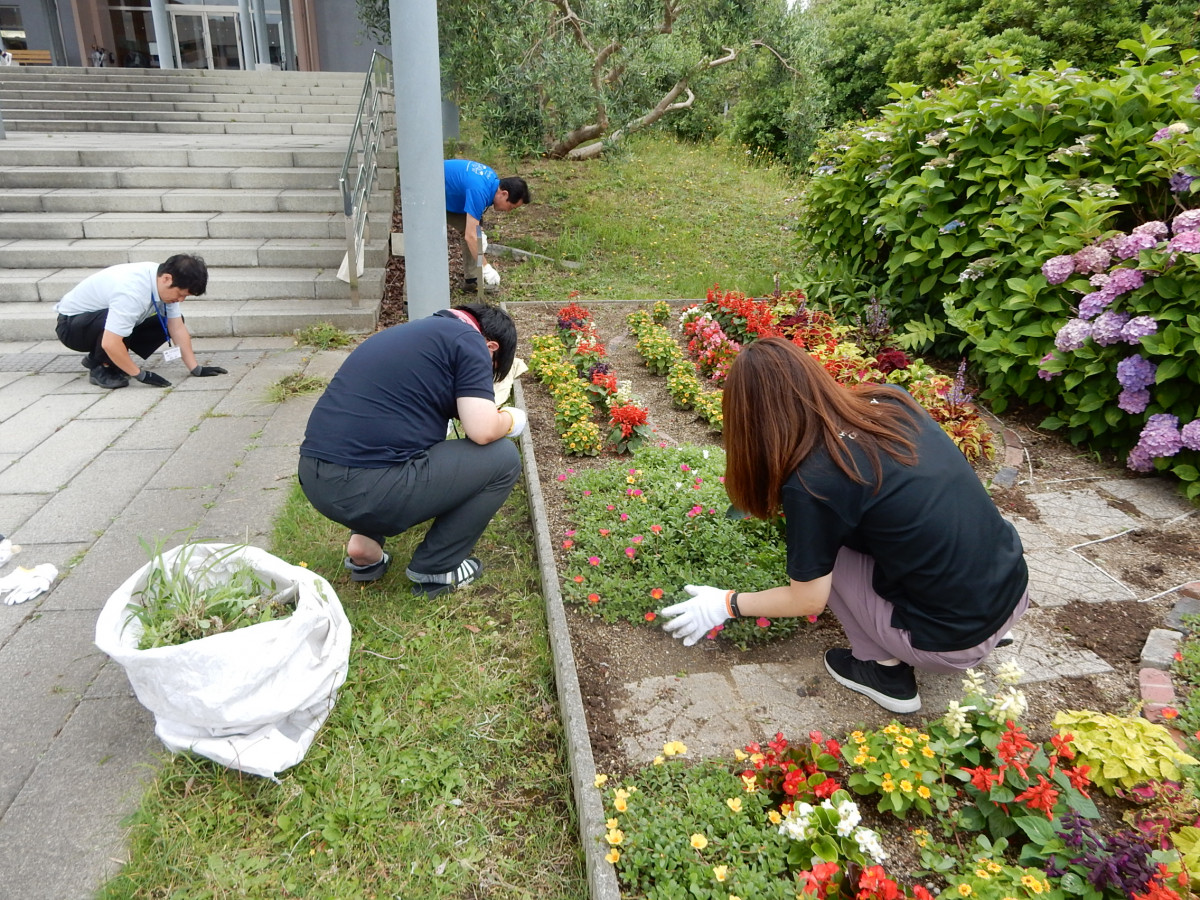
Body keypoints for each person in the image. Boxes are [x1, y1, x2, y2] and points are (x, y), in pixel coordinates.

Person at [660, 338, 1029, 713]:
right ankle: (993, 628)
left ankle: (881, 671)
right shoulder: (890, 400)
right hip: (1013, 590)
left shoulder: (814, 479)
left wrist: (726, 604)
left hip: (952, 644)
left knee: (826, 562)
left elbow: (807, 598)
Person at [298, 304, 527, 595]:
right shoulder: (470, 341)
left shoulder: (410, 335)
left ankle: (364, 547)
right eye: (489, 372)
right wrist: (510, 420)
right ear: (491, 347)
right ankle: (437, 568)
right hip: (365, 489)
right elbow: (482, 430)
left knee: (392, 444)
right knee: (502, 458)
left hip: (315, 479)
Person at [54, 255, 228, 390]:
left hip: (99, 321)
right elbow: (110, 341)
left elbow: (176, 327)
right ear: (167, 278)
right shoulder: (132, 290)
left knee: (166, 321)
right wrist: (141, 375)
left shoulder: (161, 281)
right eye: (181, 294)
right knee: (115, 322)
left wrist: (195, 368)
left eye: (186, 297)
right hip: (73, 327)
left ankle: (101, 359)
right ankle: (102, 366)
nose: (181, 300)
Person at [444, 159, 530, 291]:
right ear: (504, 193)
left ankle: (472, 280)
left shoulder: (491, 182)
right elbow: (470, 236)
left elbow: (476, 215)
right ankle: (411, 298)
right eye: (511, 207)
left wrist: (480, 232)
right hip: (426, 189)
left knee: (474, 232)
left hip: (447, 192)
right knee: (425, 240)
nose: (508, 211)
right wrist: (486, 267)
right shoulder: (479, 190)